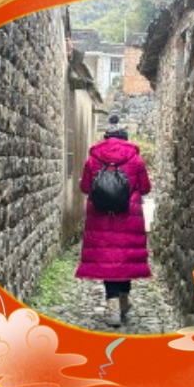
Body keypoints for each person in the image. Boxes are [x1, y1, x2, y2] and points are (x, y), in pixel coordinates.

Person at [75, 114, 152, 327]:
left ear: (105, 138)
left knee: (107, 261)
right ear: (126, 139)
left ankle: (112, 307)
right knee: (126, 258)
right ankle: (124, 299)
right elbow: (146, 188)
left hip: (100, 218)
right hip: (128, 217)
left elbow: (85, 187)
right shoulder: (136, 159)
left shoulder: (93, 159)